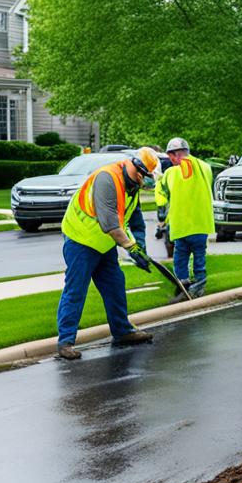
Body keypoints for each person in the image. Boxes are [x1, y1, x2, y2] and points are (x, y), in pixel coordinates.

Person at [56, 147, 162, 360]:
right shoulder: (107, 178)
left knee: (115, 285)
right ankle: (65, 342)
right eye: (149, 178)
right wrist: (132, 249)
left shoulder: (132, 186)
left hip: (104, 245)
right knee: (76, 290)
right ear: (140, 172)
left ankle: (122, 331)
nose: (150, 184)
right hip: (81, 240)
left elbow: (136, 220)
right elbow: (110, 224)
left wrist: (140, 247)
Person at [156, 137, 215, 298]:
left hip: (181, 225)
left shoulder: (170, 173)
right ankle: (199, 284)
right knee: (199, 256)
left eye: (171, 155)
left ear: (177, 154)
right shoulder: (205, 168)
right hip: (201, 223)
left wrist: (161, 213)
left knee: (180, 257)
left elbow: (160, 193)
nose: (170, 159)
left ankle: (183, 283)